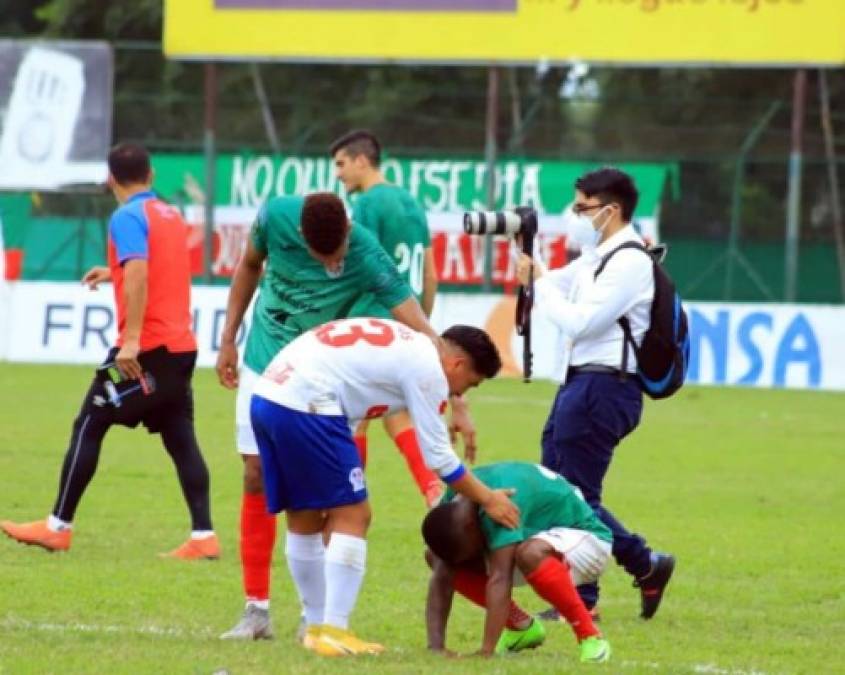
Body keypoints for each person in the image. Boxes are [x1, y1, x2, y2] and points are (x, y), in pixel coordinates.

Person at [217, 192, 475, 640]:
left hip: (325, 380)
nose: (334, 265)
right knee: (256, 475)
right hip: (264, 362)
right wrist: (227, 338)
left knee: (327, 499)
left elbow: (403, 302)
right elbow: (248, 266)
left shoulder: (364, 248)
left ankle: (313, 617)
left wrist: (435, 344)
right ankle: (256, 609)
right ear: (299, 236)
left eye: (340, 255)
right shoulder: (274, 218)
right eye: (325, 258)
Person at [249, 319, 518, 656]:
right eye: (470, 384)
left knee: (303, 516)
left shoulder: (411, 345)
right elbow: (439, 458)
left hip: (269, 397)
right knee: (354, 515)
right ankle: (333, 630)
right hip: (308, 404)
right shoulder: (429, 370)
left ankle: (316, 629)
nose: (461, 393)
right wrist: (488, 498)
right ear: (457, 364)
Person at [1, 143, 218, 559]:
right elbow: (153, 265)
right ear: (152, 176)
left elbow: (139, 272)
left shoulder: (126, 216)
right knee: (180, 437)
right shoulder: (169, 213)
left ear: (110, 180)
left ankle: (57, 527)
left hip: (148, 350)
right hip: (181, 349)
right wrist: (113, 271)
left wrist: (130, 340)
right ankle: (204, 537)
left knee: (90, 421)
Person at [515, 167, 675, 620]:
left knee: (575, 496)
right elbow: (558, 283)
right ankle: (638, 568)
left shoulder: (628, 261)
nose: (574, 215)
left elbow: (582, 321)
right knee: (560, 490)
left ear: (612, 209)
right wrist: (533, 266)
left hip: (605, 386)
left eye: (581, 206)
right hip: (582, 383)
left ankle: (600, 589)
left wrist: (539, 283)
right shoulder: (598, 254)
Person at [330, 129, 442, 507]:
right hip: (405, 325)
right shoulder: (411, 202)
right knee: (397, 412)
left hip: (371, 323)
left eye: (342, 164)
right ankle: (432, 489)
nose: (339, 174)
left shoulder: (366, 206)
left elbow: (358, 267)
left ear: (362, 160)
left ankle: (349, 497)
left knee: (353, 415)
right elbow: (430, 273)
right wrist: (421, 323)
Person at [423, 461, 613, 663]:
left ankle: (591, 637)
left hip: (588, 542)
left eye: (467, 553)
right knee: (435, 557)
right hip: (538, 538)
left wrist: (486, 651)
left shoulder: (503, 504)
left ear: (471, 527)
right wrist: (436, 647)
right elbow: (444, 570)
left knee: (529, 553)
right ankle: (521, 628)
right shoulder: (454, 498)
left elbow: (500, 578)